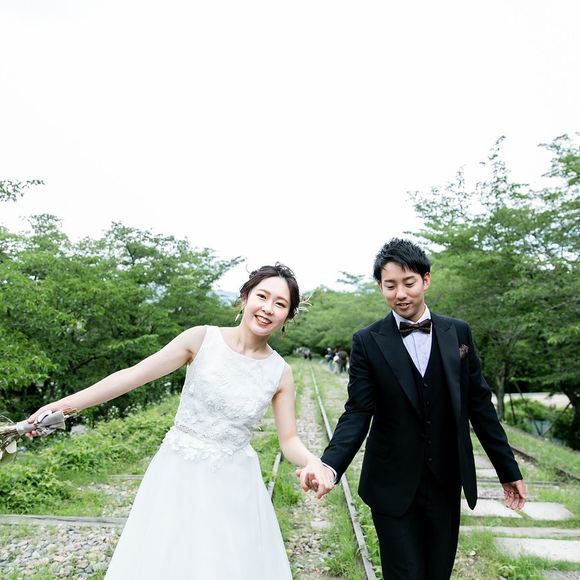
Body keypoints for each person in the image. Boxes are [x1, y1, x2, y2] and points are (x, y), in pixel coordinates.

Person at [26, 263, 332, 580]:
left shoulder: (280, 372)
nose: (268, 308)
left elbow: (289, 440)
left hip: (235, 485)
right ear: (245, 298)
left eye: (280, 304)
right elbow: (131, 376)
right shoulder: (201, 339)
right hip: (177, 474)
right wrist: (62, 406)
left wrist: (312, 461)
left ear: (287, 316)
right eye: (262, 296)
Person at [298, 239, 526, 579]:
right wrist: (330, 467)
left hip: (445, 482)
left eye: (409, 283)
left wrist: (508, 470)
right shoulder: (367, 341)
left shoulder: (458, 332)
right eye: (390, 286)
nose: (401, 294)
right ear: (380, 286)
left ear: (426, 280)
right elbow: (358, 412)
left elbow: (480, 407)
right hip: (391, 484)